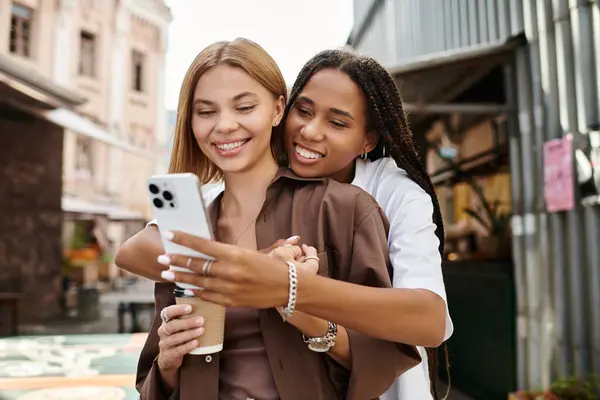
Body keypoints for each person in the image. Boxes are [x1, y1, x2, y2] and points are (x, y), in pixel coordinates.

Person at [118, 48, 451, 399]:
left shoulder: (369, 202)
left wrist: (288, 289)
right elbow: (134, 252)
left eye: (337, 123)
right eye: (303, 111)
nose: (309, 131)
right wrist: (242, 270)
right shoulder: (204, 209)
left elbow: (425, 323)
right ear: (286, 110)